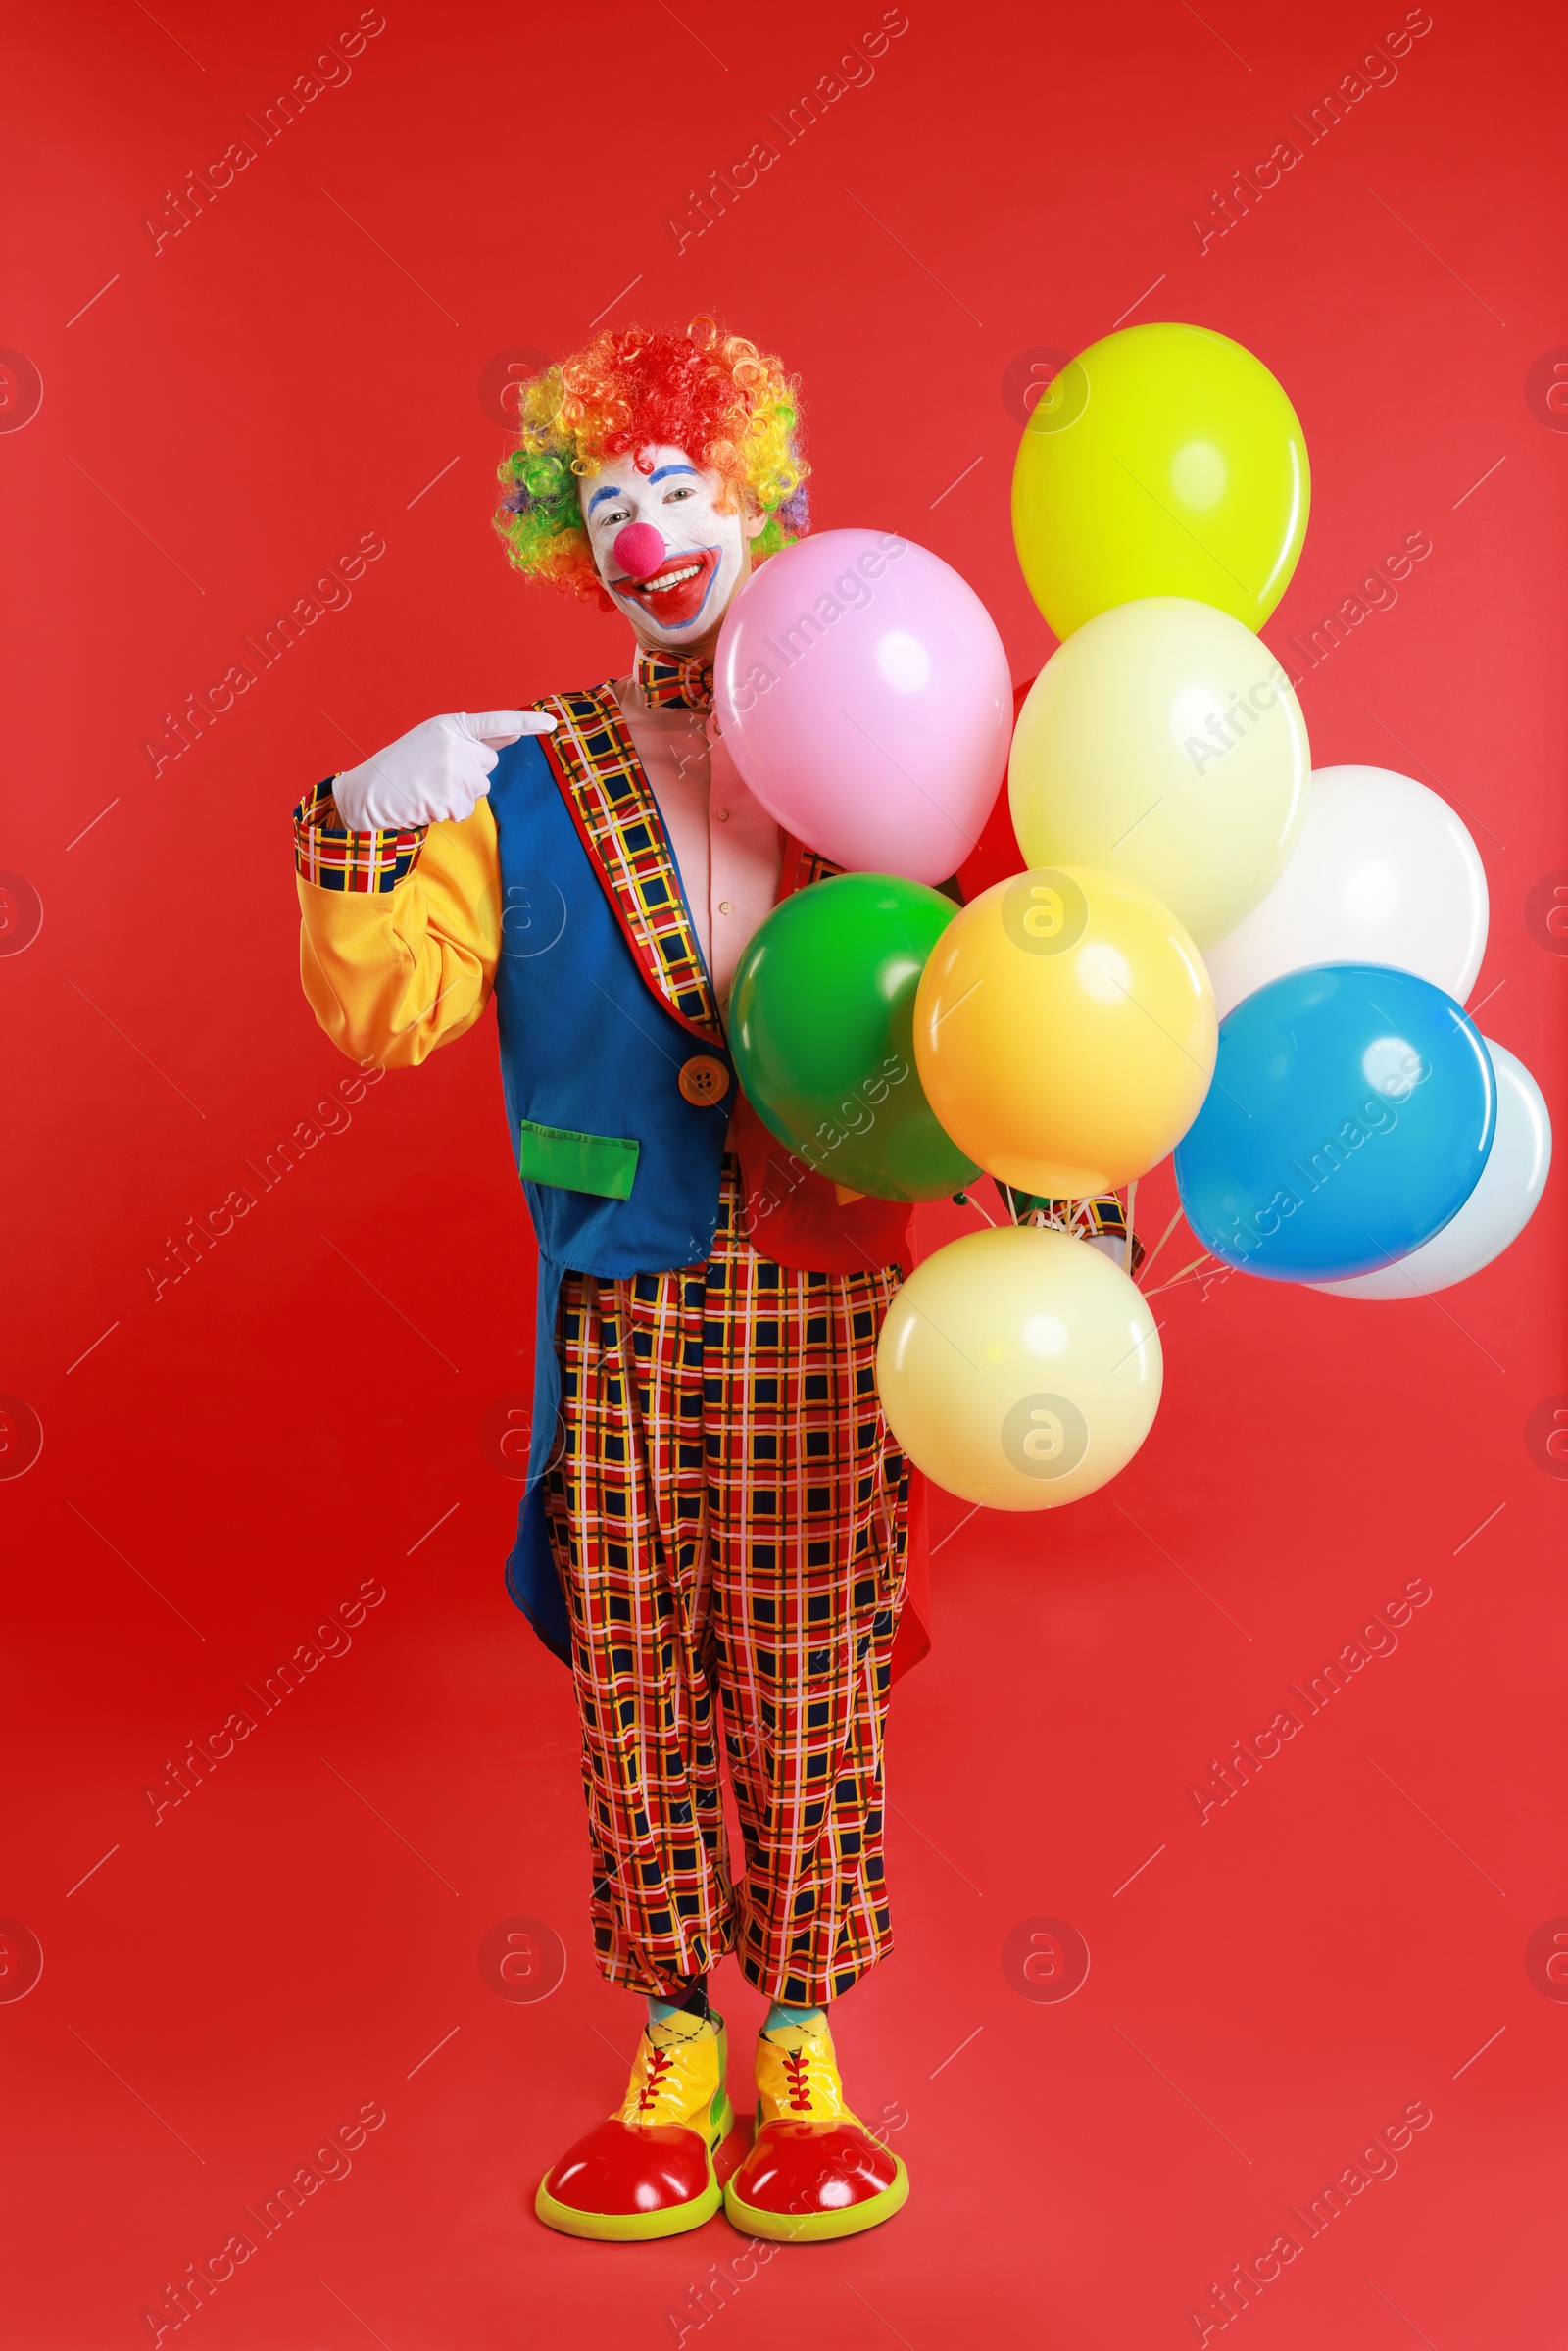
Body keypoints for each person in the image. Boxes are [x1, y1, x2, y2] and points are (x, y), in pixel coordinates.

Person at [294, 316, 1134, 2245]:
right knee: (639, 1683)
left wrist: (1060, 1219)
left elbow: (985, 1003)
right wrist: (363, 802)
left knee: (811, 1678)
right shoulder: (522, 775)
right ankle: (674, 2029)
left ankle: (806, 2039)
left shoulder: (890, 741)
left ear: (756, 496)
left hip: (836, 1307)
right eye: (603, 502)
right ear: (565, 544)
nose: (645, 526)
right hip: (621, 1299)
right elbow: (388, 1011)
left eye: (675, 483)